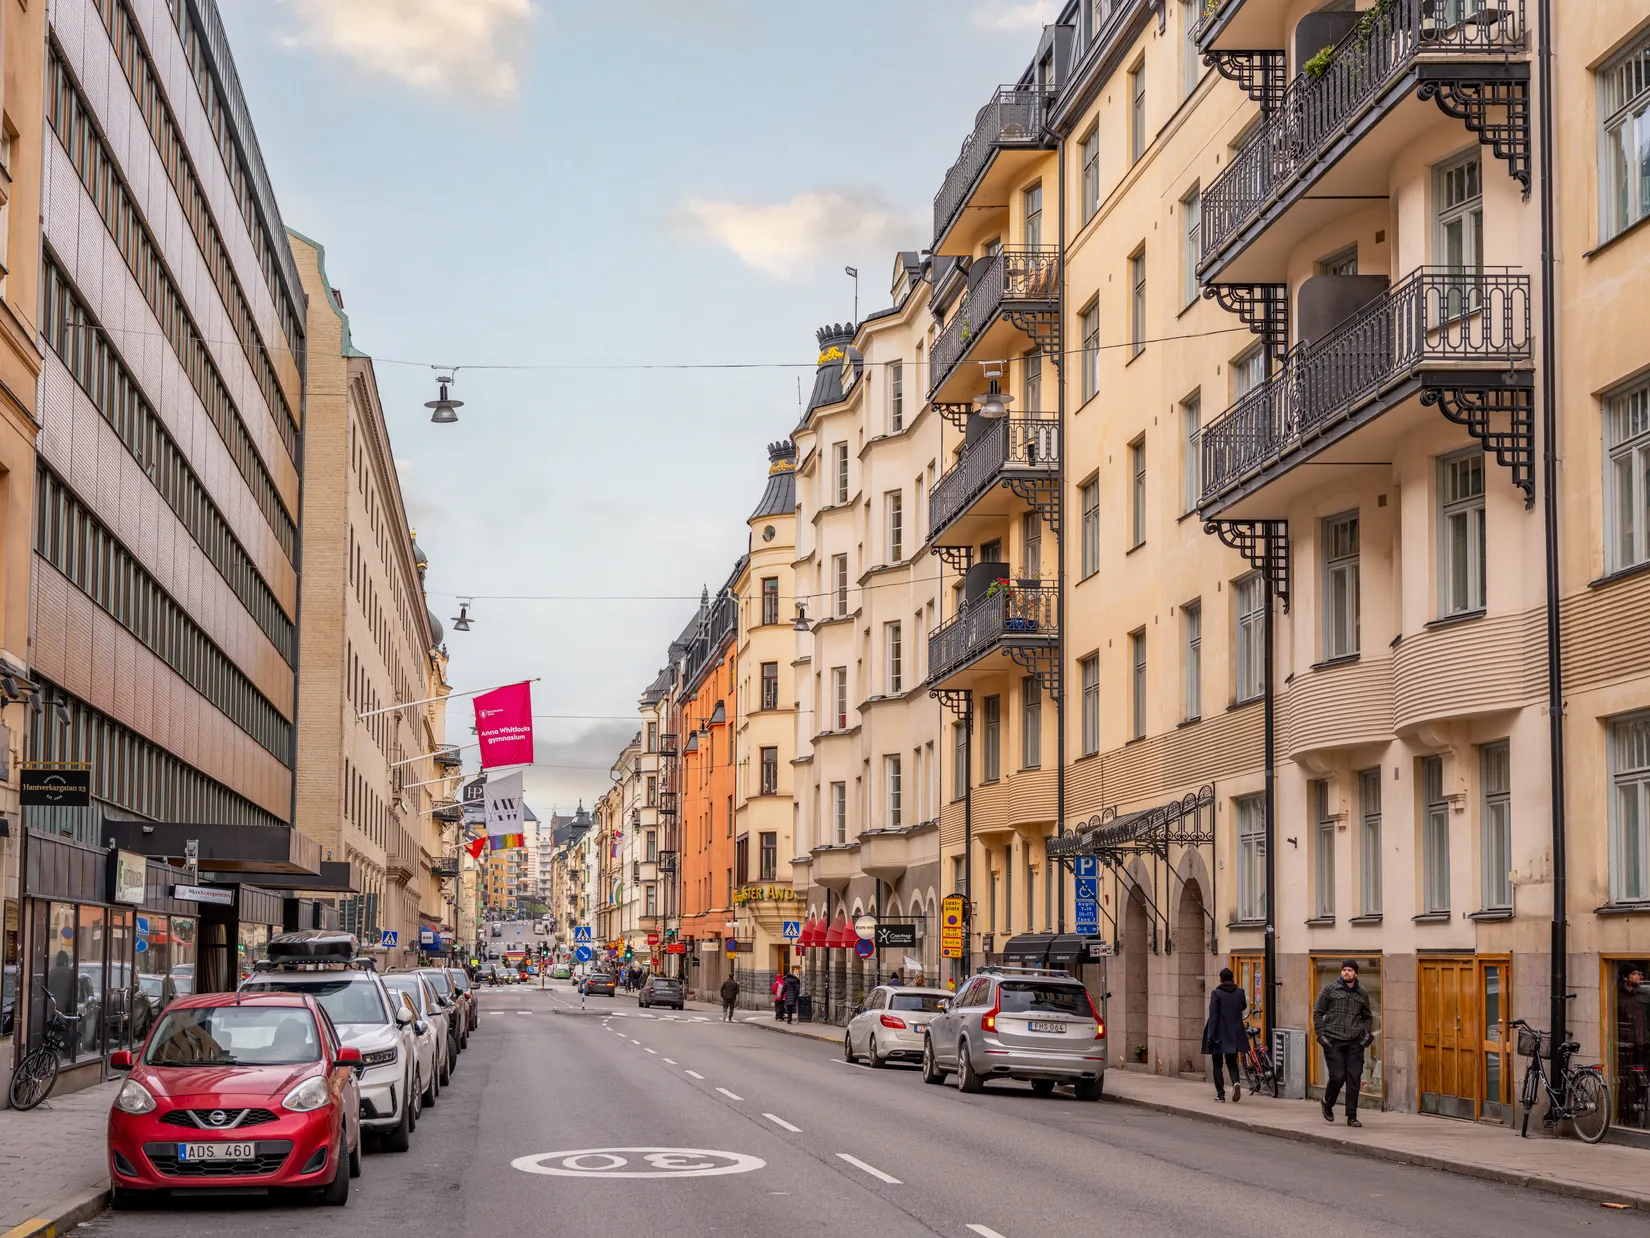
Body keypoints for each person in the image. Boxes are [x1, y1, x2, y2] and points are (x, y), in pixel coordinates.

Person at [1313, 959, 1375, 1128]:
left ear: (1356, 973)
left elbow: (1367, 1017)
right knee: (1338, 1076)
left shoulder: (1361, 993)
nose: (1347, 972)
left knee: (1354, 1079)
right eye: (1344, 970)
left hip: (1355, 1043)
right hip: (1334, 1041)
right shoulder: (1329, 990)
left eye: (1350, 970)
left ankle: (1352, 1116)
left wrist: (1363, 1036)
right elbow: (1318, 1013)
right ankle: (1327, 1102)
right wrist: (1321, 1036)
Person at [1202, 967, 1248, 1102]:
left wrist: (1210, 1036)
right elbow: (1243, 1006)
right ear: (1232, 978)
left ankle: (1220, 1094)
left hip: (1219, 1034)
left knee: (1217, 1064)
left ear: (1220, 980)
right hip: (1234, 1033)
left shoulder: (1216, 993)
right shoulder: (1240, 992)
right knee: (1232, 1062)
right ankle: (1235, 1082)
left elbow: (1214, 1016)